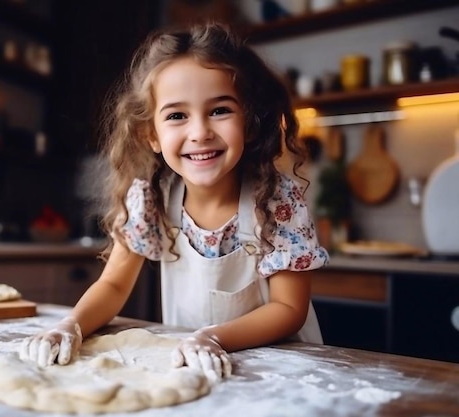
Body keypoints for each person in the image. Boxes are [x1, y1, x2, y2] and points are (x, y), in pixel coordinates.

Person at [20, 22, 329, 382]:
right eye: (177, 116)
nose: (199, 133)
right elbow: (114, 286)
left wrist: (213, 337)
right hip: (196, 369)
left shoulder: (278, 200)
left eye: (220, 110)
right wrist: (71, 325)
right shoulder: (151, 198)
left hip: (282, 372)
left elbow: (289, 309)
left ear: (249, 120)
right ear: (151, 134)